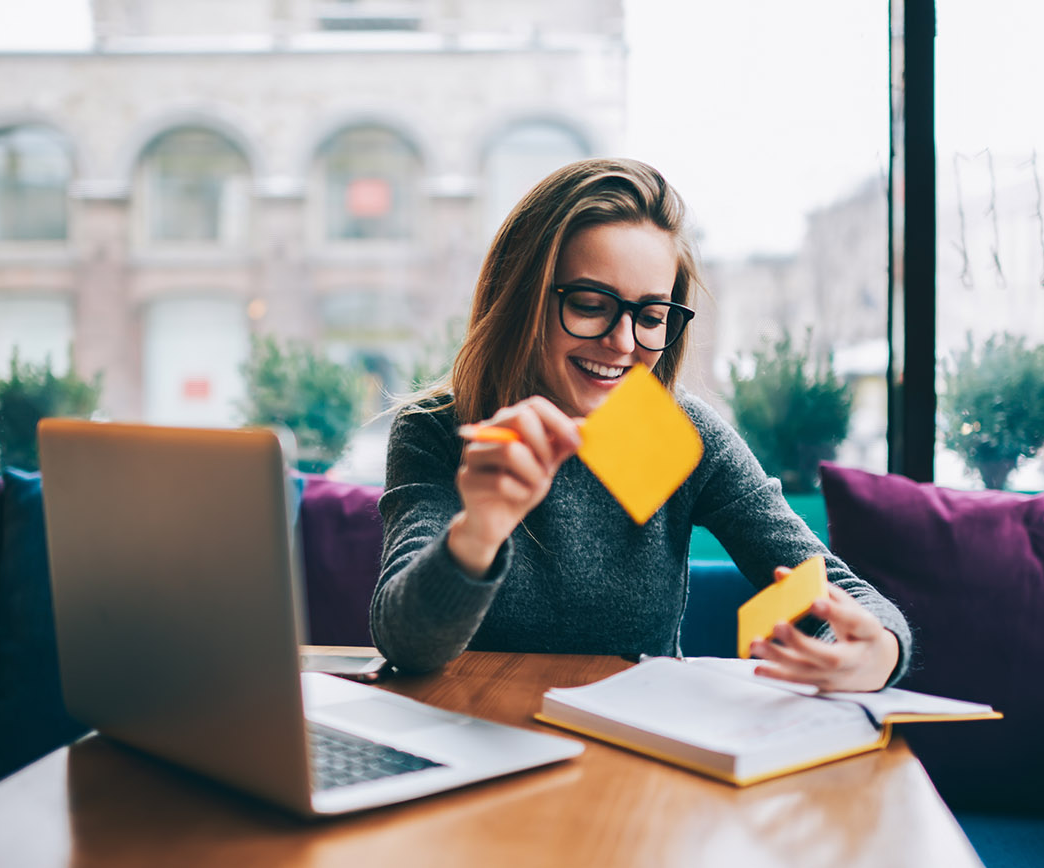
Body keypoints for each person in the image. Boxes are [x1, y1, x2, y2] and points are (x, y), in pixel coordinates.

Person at [371, 158, 909, 691]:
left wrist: (877, 649)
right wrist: (479, 530)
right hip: (476, 739)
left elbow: (827, 586)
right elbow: (407, 643)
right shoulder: (441, 431)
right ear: (520, 299)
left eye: (651, 316)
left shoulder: (675, 435)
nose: (624, 343)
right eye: (588, 304)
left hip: (635, 752)